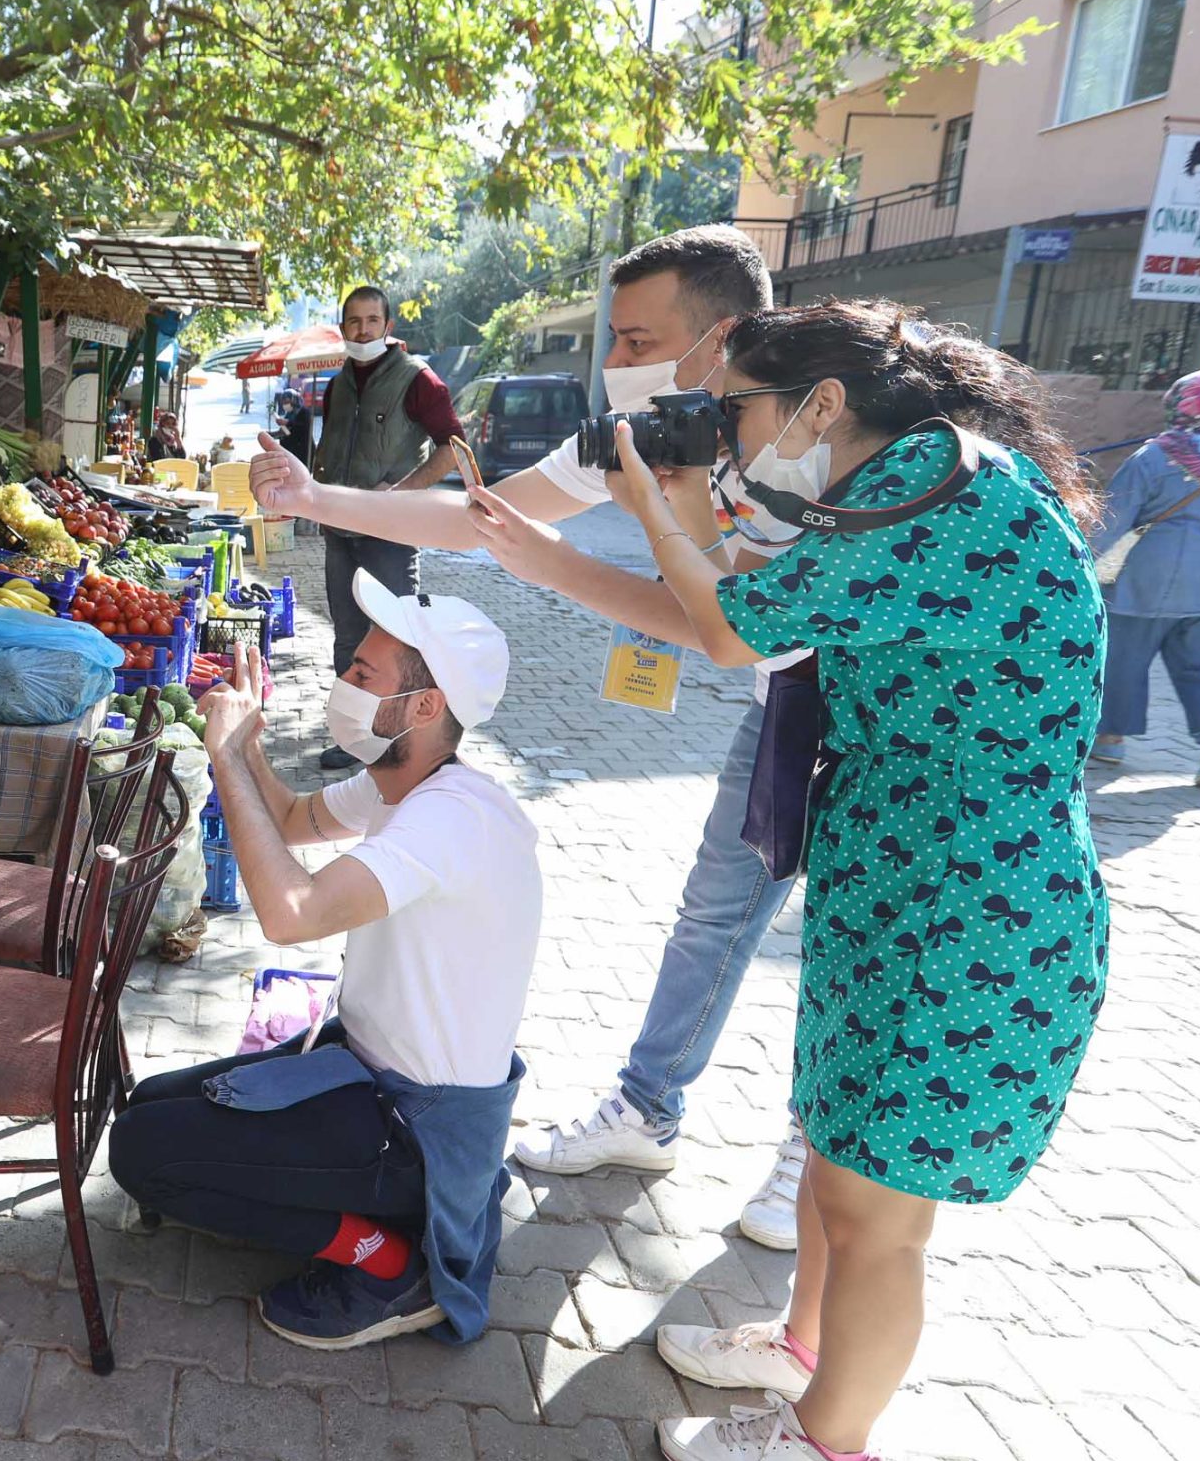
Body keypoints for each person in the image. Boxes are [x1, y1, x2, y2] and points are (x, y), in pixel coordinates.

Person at [600, 301, 1107, 1461]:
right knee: (837, 1163)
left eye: (739, 412)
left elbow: (729, 627)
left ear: (819, 405)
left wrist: (652, 503)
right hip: (915, 888)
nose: (730, 438)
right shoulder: (919, 488)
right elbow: (764, 591)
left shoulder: (936, 497)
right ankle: (804, 1349)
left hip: (964, 915)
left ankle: (831, 1454)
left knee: (878, 1214)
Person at [248, 227, 814, 1247]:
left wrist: (570, 555)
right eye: (610, 335)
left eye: (635, 337)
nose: (611, 362)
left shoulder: (804, 436)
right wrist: (313, 497)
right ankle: (649, 1104)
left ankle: (813, 1155)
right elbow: (480, 518)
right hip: (787, 700)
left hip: (885, 714)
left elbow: (722, 625)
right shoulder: (639, 432)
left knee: (846, 947)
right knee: (715, 909)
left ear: (720, 335)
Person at [107, 583, 538, 1351]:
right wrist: (244, 746)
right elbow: (290, 818)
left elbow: (290, 913)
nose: (345, 679)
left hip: (417, 1129)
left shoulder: (449, 819)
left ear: (425, 707)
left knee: (143, 1155)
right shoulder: (399, 784)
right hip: (367, 1069)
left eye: (364, 674)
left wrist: (222, 760)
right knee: (144, 1106)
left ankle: (389, 1261)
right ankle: (352, 1208)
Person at [1087, 368, 1200, 788]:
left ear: (1177, 404)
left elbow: (1113, 519)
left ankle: (1111, 737)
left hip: (1156, 580)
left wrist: (1081, 561)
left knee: (1123, 657)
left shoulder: (1156, 456)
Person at [310, 286, 460, 769]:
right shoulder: (338, 384)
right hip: (341, 533)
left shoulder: (417, 380)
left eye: (372, 320)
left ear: (388, 326)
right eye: (354, 322)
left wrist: (402, 494)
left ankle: (403, 741)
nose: (363, 330)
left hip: (392, 537)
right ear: (343, 328)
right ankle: (353, 738)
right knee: (348, 638)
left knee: (397, 638)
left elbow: (453, 447)